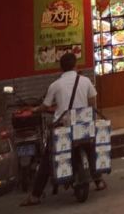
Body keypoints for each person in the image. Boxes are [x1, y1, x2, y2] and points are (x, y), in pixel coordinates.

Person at [20, 52, 106, 206]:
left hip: (63, 128)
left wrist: (34, 110)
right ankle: (98, 181)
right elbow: (93, 101)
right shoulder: (85, 80)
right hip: (83, 125)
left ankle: (35, 196)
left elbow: (45, 106)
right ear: (75, 66)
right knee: (91, 148)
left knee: (47, 158)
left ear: (61, 68)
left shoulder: (55, 85)